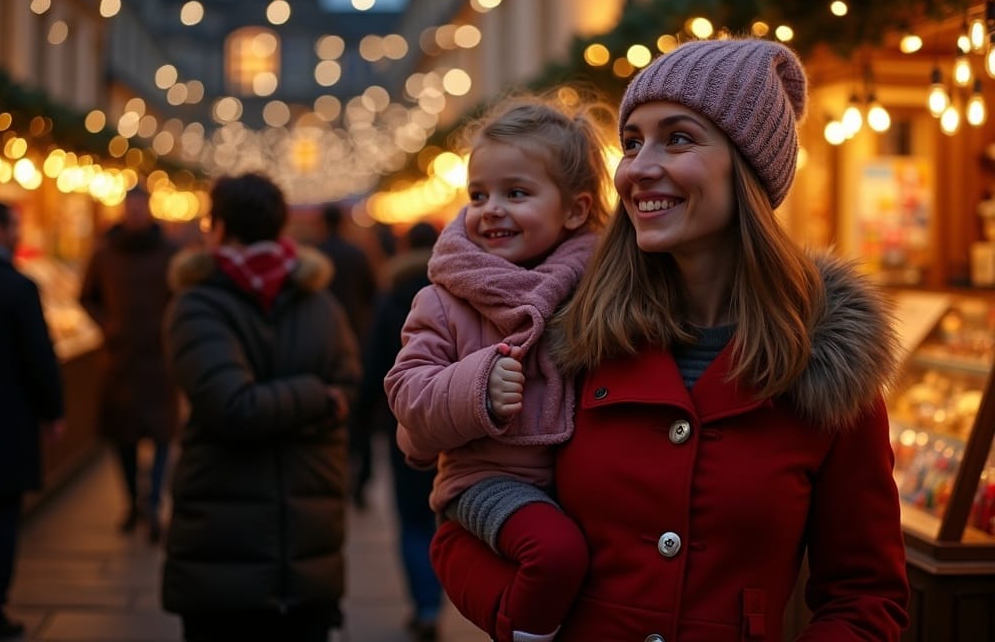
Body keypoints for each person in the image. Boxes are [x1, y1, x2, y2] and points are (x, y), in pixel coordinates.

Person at [429, 38, 911, 641]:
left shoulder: (828, 361)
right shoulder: (566, 334)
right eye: (632, 142)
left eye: (678, 138)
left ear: (748, 167)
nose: (637, 167)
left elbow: (865, 595)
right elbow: (465, 506)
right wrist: (524, 619)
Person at [385, 95, 613, 642]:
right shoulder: (445, 298)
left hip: (572, 482)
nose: (491, 209)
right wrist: (477, 384)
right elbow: (406, 391)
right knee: (555, 554)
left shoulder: (597, 290)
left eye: (517, 193)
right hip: (486, 479)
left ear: (575, 210)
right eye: (479, 194)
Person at [160, 172, 361, 642]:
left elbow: (346, 392)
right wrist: (314, 396)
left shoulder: (196, 304)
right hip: (238, 558)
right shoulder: (319, 303)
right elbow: (233, 408)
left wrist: (281, 404)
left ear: (218, 226)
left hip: (279, 549)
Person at [0, 200, 65, 641]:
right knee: (1, 520)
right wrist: (53, 411)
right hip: (5, 425)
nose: (19, 233)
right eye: (15, 226)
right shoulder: (17, 288)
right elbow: (40, 359)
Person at [79, 186, 179, 542]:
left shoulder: (170, 253)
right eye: (130, 206)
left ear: (149, 209)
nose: (135, 212)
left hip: (159, 361)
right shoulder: (105, 255)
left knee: (162, 436)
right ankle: (132, 502)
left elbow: (183, 298)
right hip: (120, 362)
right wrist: (108, 325)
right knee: (123, 438)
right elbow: (87, 297)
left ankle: (153, 502)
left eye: (141, 206)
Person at [362, 221, 443, 641]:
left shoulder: (392, 296)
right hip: (453, 422)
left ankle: (426, 605)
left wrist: (362, 420)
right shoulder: (456, 287)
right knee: (446, 517)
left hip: (405, 426)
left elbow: (376, 364)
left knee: (411, 521)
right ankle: (441, 594)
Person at [315, 202, 379, 508]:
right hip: (357, 339)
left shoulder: (315, 256)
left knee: (328, 411)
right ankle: (361, 478)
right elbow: (372, 294)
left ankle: (333, 476)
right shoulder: (356, 255)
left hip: (322, 343)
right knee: (359, 413)